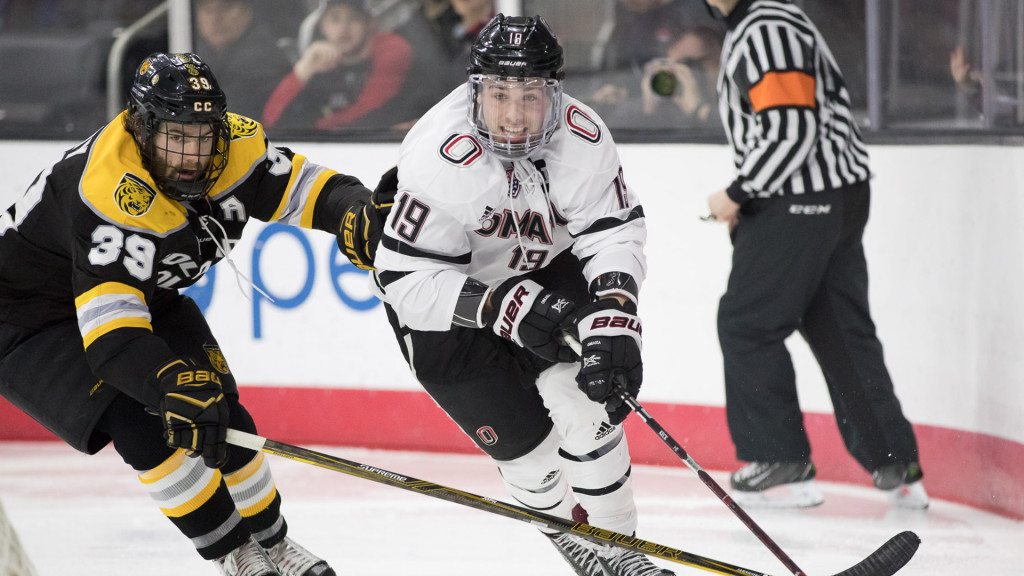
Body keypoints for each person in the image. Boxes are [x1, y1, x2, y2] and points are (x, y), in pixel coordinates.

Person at [0, 52, 391, 576]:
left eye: (202, 136)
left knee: (223, 412)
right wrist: (164, 384)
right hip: (29, 315)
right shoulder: (109, 192)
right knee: (146, 422)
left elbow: (305, 187)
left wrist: (356, 210)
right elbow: (112, 337)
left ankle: (274, 545)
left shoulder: (234, 146)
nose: (191, 155)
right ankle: (234, 553)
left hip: (145, 294)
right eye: (175, 137)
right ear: (141, 128)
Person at [372, 14, 675, 576]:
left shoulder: (581, 136)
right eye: (499, 94)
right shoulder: (438, 156)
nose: (514, 115)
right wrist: (498, 306)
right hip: (448, 305)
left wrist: (614, 312)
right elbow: (402, 281)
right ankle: (580, 548)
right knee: (529, 458)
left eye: (531, 96)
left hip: (545, 273)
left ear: (554, 94)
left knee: (587, 405)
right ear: (475, 91)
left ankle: (627, 557)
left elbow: (611, 232)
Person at [701, 0, 928, 509]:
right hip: (828, 196)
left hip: (800, 196)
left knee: (747, 323)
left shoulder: (765, 27)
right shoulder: (768, 20)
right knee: (838, 327)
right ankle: (895, 461)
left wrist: (739, 192)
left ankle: (780, 460)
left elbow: (791, 128)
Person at [261, 0, 415, 132]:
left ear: (369, 23)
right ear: (322, 26)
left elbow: (373, 113)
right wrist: (303, 70)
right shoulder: (319, 65)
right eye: (335, 19)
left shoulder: (390, 50)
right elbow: (272, 121)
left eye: (354, 19)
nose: (344, 28)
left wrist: (313, 130)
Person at [193, 0, 294, 121]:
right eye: (207, 9)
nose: (215, 19)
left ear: (247, 11)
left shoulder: (261, 58)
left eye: (226, 8)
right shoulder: (196, 51)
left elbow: (222, 118)